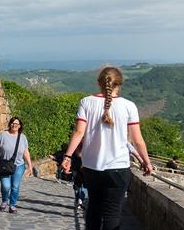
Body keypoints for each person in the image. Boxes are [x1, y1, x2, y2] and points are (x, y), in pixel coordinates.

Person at [62, 66, 153, 230]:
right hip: (118, 167)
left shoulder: (86, 102)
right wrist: (146, 162)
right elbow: (138, 140)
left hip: (91, 167)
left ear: (99, 83)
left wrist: (67, 156)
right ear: (120, 84)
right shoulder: (129, 106)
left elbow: (79, 132)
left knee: (94, 208)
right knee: (112, 213)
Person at [0, 117, 33, 213]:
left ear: (20, 126)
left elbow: (26, 151)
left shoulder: (23, 137)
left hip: (18, 165)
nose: (14, 125)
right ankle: (4, 201)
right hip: (4, 165)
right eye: (12, 123)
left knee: (15, 186)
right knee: (6, 186)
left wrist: (30, 165)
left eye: (16, 124)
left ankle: (12, 205)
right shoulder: (3, 135)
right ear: (10, 124)